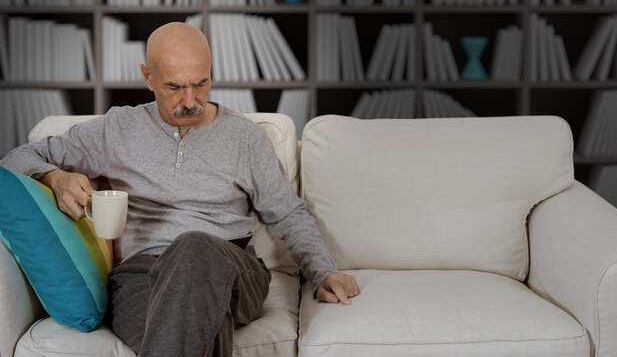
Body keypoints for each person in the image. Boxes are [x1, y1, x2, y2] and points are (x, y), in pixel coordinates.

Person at [0, 22, 360, 357]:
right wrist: (52, 176)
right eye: (174, 87)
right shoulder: (118, 128)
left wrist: (324, 271)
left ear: (211, 69)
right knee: (180, 334)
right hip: (141, 278)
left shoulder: (245, 138)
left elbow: (287, 213)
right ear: (148, 77)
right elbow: (16, 158)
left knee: (193, 245)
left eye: (201, 83)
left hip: (231, 268)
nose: (190, 100)